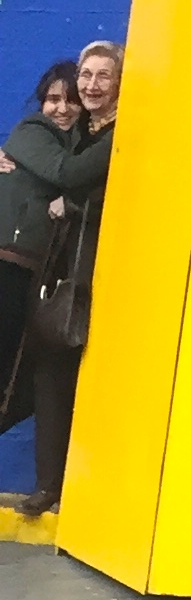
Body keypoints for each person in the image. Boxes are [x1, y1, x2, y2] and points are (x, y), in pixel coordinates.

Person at [13, 37, 119, 511]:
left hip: (107, 265)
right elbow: (57, 168)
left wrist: (73, 202)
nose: (91, 85)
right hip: (63, 269)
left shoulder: (124, 132)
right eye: (86, 75)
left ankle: (89, 489)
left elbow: (104, 185)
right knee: (48, 369)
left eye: (103, 76)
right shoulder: (73, 131)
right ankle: (48, 486)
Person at [0, 63, 84, 461]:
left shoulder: (79, 145)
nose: (61, 109)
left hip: (36, 280)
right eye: (53, 99)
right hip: (8, 267)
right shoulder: (33, 132)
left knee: (26, 381)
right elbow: (65, 172)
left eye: (71, 100)